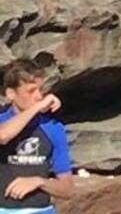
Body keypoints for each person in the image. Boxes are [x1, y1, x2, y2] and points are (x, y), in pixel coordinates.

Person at [0, 62, 74, 214]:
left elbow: (67, 190)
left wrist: (39, 182)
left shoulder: (53, 127)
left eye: (40, 90)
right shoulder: (2, 121)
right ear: (11, 94)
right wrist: (38, 108)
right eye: (31, 91)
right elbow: (3, 136)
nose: (39, 96)